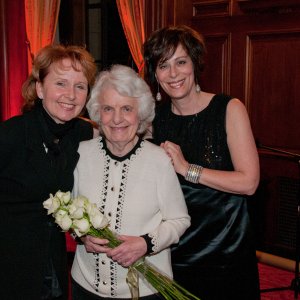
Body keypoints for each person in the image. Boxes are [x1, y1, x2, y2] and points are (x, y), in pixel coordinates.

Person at [143, 25, 261, 300]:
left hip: (226, 250)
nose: (173, 74)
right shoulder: (152, 121)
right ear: (154, 74)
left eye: (181, 62)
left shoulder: (229, 109)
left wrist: (187, 169)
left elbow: (249, 183)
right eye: (163, 65)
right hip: (174, 250)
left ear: (195, 63)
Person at [71, 64, 191, 299]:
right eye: (108, 108)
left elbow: (180, 220)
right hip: (84, 285)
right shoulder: (80, 154)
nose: (117, 119)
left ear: (141, 113)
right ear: (97, 113)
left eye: (127, 108)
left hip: (144, 289)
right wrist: (82, 236)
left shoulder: (159, 160)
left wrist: (146, 243)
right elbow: (70, 211)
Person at [0, 44, 97, 300]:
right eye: (61, 83)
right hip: (10, 266)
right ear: (40, 88)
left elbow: (122, 131)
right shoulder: (11, 134)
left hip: (53, 265)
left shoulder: (81, 133)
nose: (71, 95)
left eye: (80, 86)